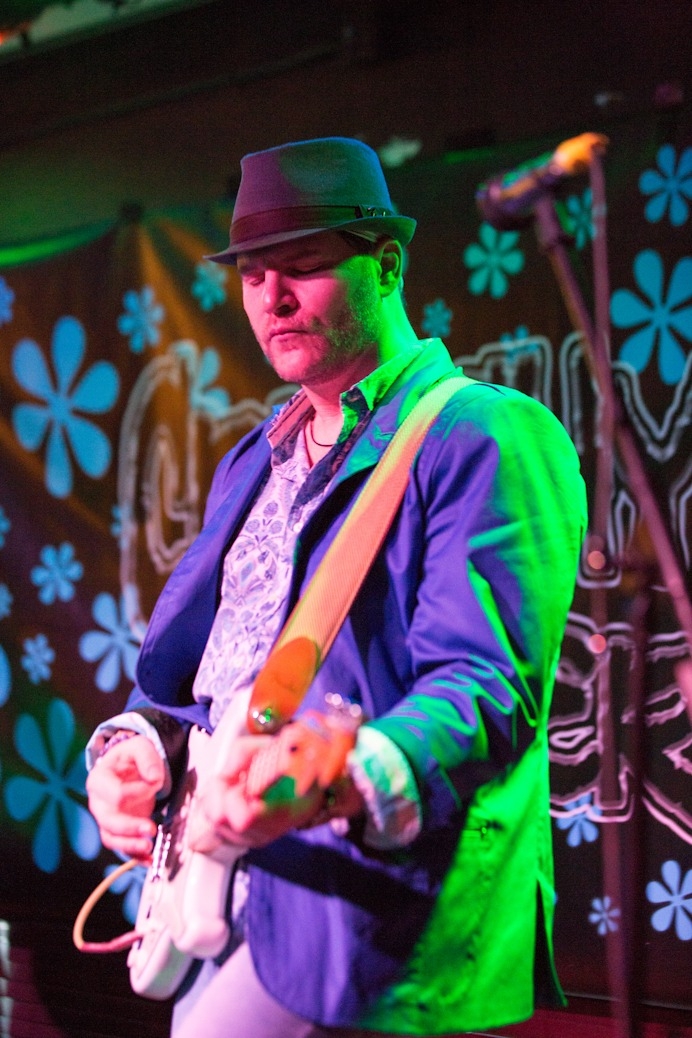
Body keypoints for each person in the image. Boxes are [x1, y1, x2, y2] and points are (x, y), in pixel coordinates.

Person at [86, 137, 587, 1038]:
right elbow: (207, 676)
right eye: (252, 276)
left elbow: (487, 688)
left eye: (304, 267)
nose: (271, 298)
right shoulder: (255, 456)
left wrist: (340, 778)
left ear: (386, 265)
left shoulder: (483, 436)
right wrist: (136, 751)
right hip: (222, 890)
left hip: (368, 916)